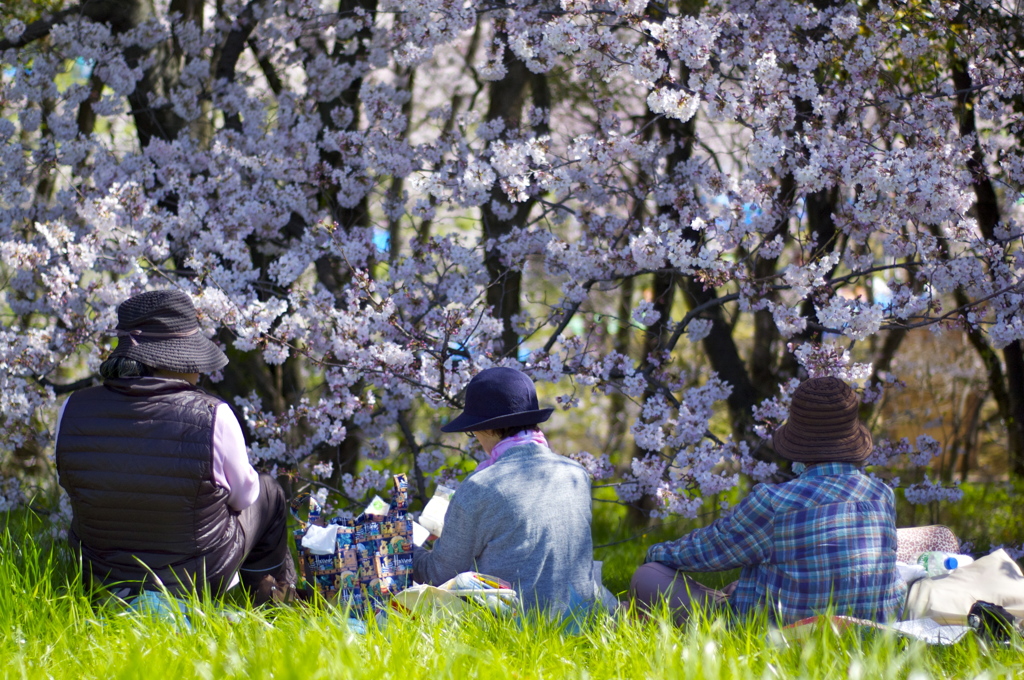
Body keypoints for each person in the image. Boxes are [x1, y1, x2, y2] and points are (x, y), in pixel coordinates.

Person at [55, 290, 296, 602]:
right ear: (175, 358)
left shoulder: (72, 407)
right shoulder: (213, 415)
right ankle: (271, 600)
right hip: (194, 576)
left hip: (100, 575)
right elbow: (245, 496)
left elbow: (73, 486)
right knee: (269, 491)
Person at [630, 376, 905, 624]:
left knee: (648, 576)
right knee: (753, 578)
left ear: (800, 441)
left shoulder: (775, 501)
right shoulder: (882, 494)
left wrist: (657, 555)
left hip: (779, 628)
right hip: (872, 626)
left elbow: (708, 551)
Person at [412, 366, 598, 615]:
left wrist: (399, 544)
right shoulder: (576, 473)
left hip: (515, 624)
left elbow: (437, 575)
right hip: (581, 617)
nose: (475, 437)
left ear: (489, 428)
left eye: (473, 429)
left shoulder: (481, 486)